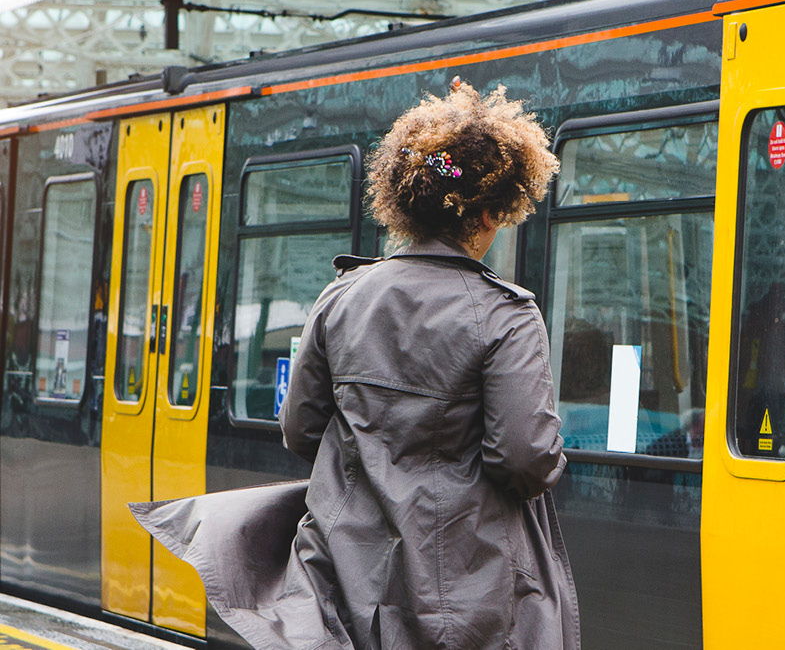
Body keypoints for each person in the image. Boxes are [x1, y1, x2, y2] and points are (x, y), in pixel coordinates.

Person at [131, 80, 578, 649]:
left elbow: (299, 431)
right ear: (492, 212)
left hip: (342, 574)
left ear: (407, 199)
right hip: (463, 588)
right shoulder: (507, 315)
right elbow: (523, 457)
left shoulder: (340, 296)